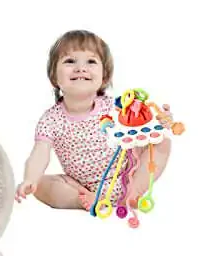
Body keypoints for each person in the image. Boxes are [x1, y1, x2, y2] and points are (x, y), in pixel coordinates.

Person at [15, 30, 173, 210]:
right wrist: (30, 179)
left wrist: (159, 122)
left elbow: (142, 126)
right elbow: (39, 154)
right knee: (41, 185)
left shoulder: (114, 107)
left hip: (126, 178)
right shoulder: (50, 120)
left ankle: (132, 195)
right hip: (80, 187)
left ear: (104, 76)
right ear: (54, 77)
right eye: (70, 61)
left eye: (91, 61)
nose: (80, 68)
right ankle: (82, 201)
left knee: (162, 142)